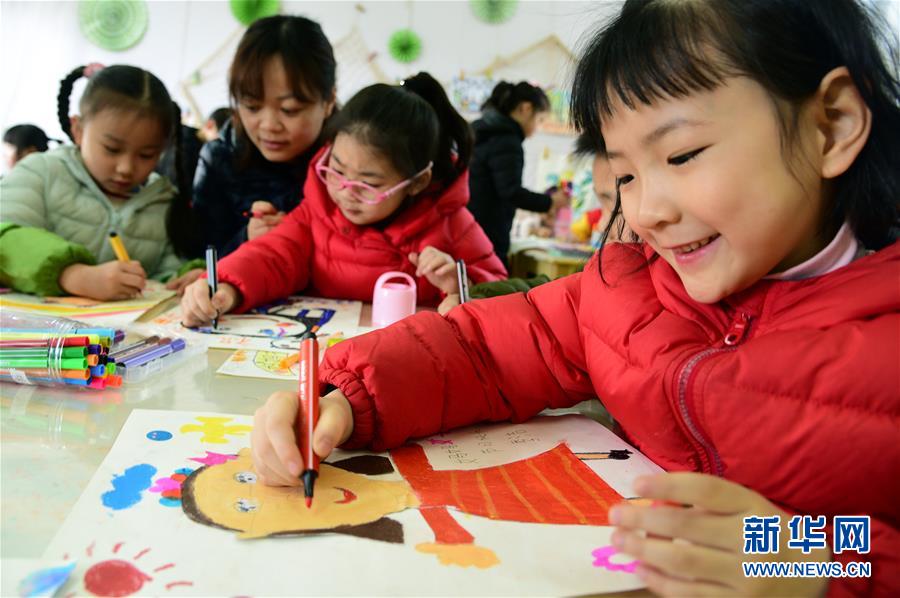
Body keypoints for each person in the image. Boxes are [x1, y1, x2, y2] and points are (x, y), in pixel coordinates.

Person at [249, 0, 900, 595]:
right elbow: (483, 348)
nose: (645, 213)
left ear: (832, 124)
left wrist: (803, 562)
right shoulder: (633, 287)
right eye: (624, 177)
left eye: (681, 155)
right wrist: (347, 394)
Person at [179, 73, 507, 326]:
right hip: (316, 361)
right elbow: (272, 256)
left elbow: (504, 293)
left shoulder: (451, 224)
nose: (345, 193)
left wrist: (461, 286)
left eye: (368, 184)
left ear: (416, 183)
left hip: (401, 367)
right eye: (336, 170)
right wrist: (227, 287)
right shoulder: (318, 210)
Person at [0, 64, 195, 300]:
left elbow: (167, 270)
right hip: (35, 332)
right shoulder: (41, 172)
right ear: (78, 129)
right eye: (112, 149)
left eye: (146, 155)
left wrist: (188, 276)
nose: (126, 168)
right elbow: (5, 237)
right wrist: (75, 276)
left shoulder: (162, 199)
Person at [191, 15, 337, 258]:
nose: (269, 126)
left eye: (289, 110)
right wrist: (247, 239)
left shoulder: (349, 162)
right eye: (252, 106)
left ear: (329, 101)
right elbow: (202, 254)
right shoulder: (220, 158)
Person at [467, 81, 569, 267]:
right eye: (539, 120)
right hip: (488, 231)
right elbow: (510, 191)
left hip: (469, 226)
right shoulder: (506, 139)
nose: (536, 129)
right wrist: (550, 202)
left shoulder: (482, 129)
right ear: (525, 108)